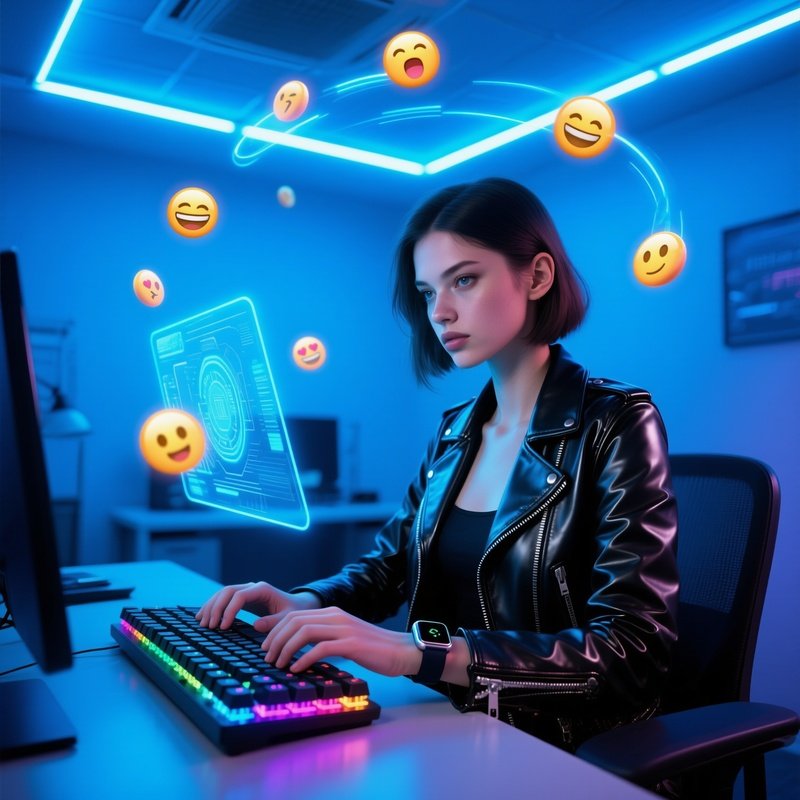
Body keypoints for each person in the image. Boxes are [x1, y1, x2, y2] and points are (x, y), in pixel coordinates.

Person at [197, 177, 679, 752]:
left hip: (565, 746)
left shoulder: (618, 422)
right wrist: (304, 601)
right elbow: (388, 567)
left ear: (538, 277)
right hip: (451, 726)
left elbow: (632, 650)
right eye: (428, 293)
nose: (441, 312)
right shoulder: (455, 431)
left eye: (465, 280)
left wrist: (420, 651)